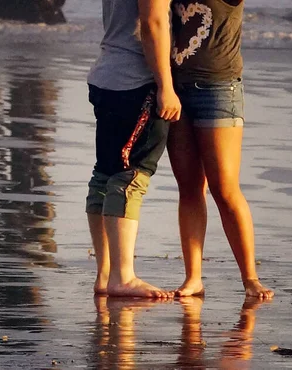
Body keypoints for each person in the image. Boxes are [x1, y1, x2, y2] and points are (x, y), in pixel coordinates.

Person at [167, 0, 274, 298]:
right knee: (189, 188)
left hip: (218, 89)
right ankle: (193, 278)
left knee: (224, 189)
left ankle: (250, 278)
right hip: (175, 89)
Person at [85, 0, 181, 297]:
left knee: (105, 175)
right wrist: (165, 85)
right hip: (135, 82)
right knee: (130, 177)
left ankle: (106, 275)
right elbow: (153, 22)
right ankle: (123, 276)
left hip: (108, 75)